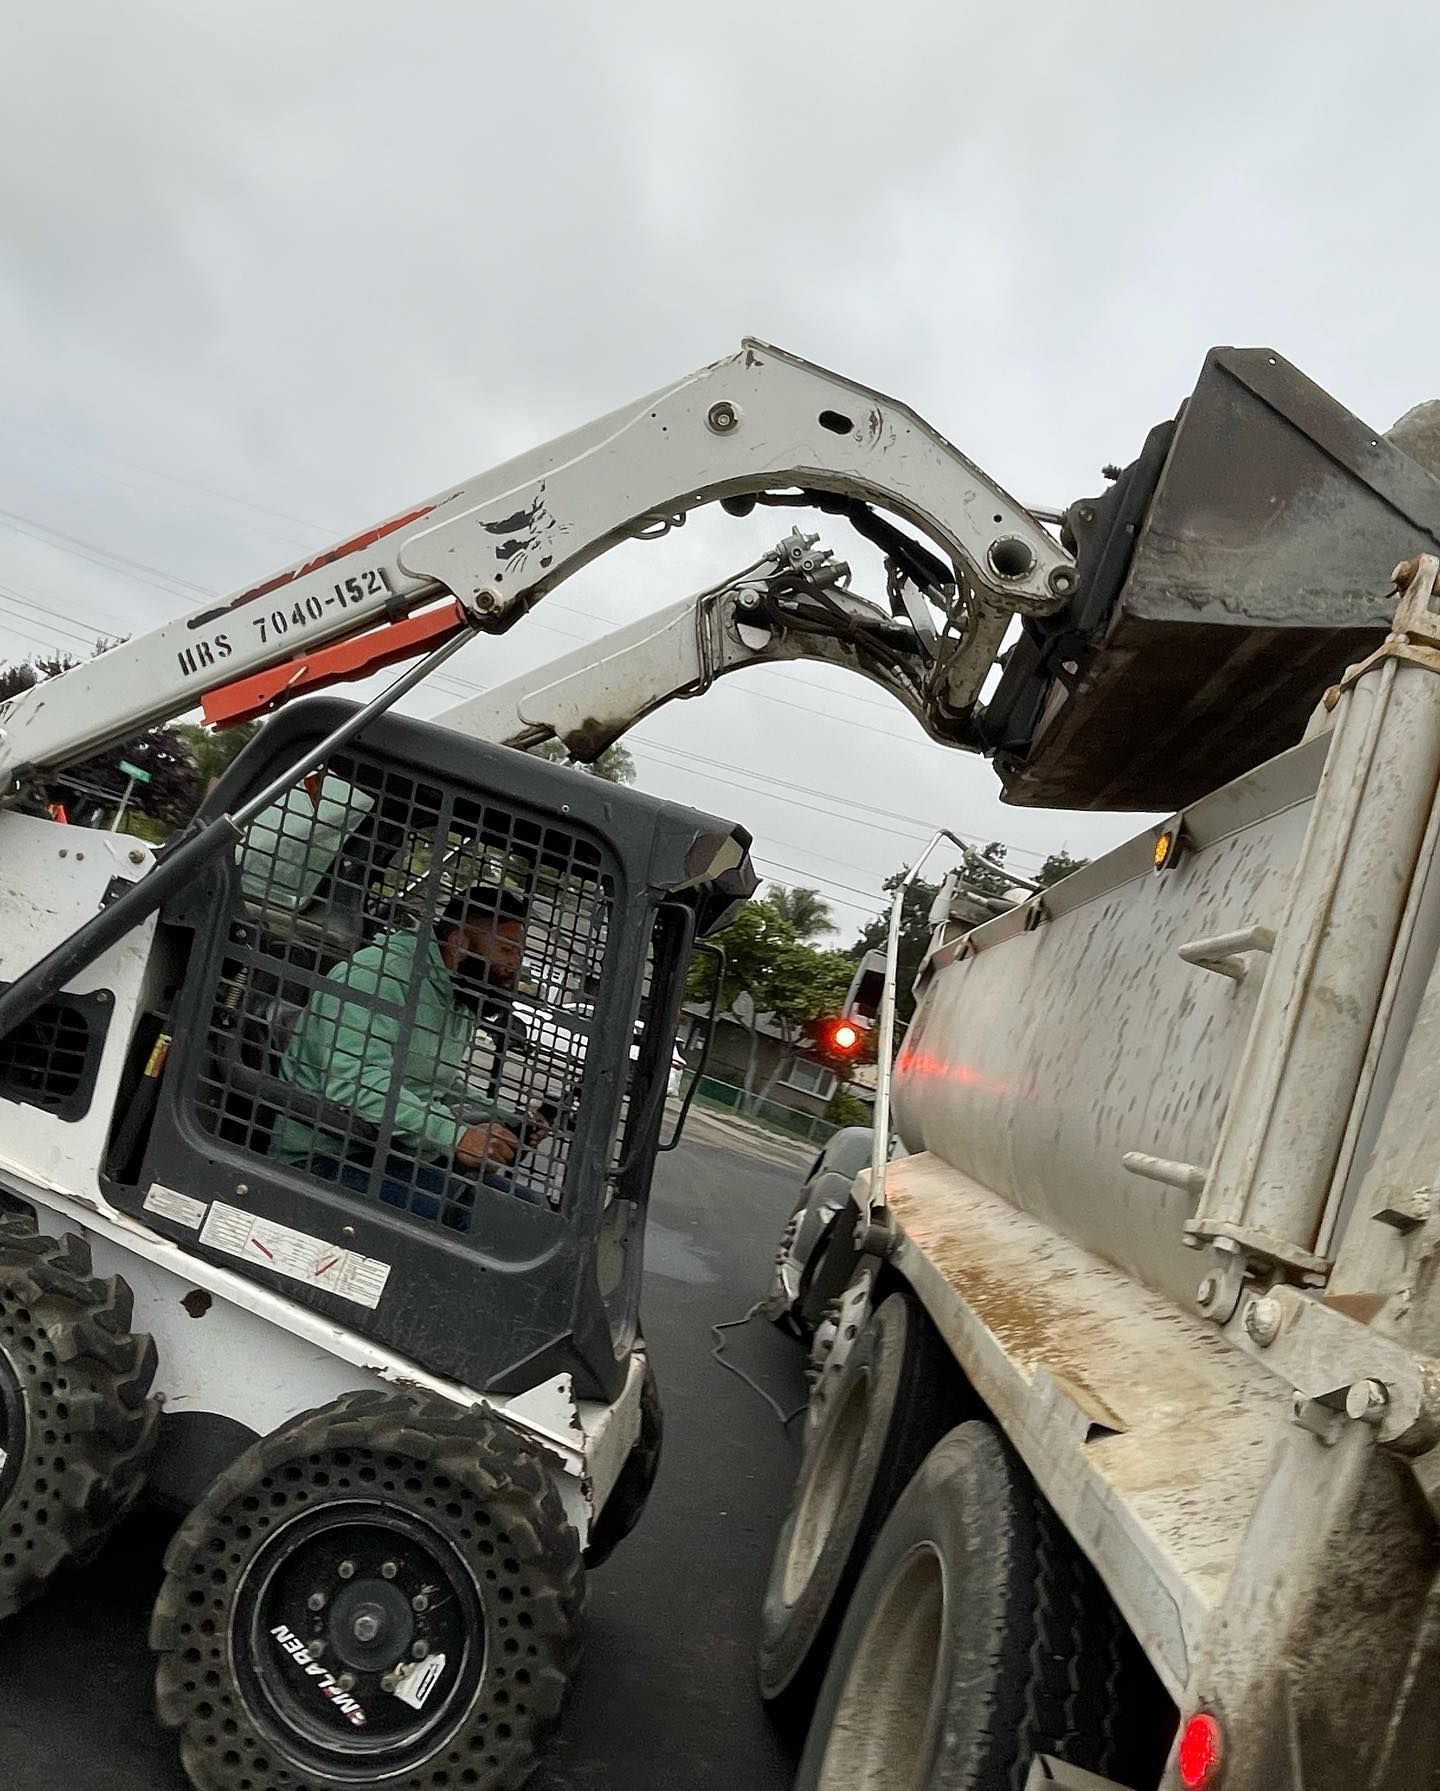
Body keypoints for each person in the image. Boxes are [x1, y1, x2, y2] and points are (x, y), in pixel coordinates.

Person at [271, 884, 545, 1223]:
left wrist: (503, 1116)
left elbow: (436, 1083)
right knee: (484, 1222)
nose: (515, 966)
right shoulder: (376, 976)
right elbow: (355, 1085)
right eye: (506, 950)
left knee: (532, 1211)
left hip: (393, 1153)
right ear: (459, 944)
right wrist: (454, 1135)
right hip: (326, 1157)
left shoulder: (457, 993)